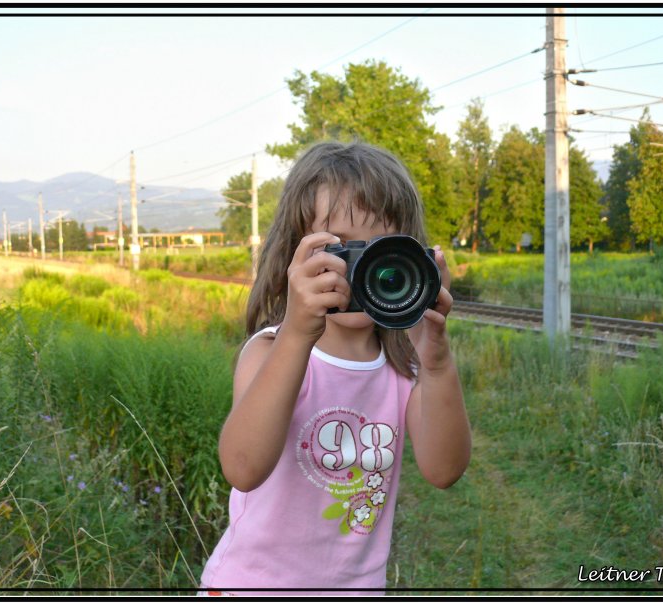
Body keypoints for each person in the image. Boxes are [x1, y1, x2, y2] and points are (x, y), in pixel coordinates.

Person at [199, 141, 471, 596]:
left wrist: (437, 362)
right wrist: (298, 334)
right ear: (294, 258)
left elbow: (444, 471)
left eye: (383, 250)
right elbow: (243, 469)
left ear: (414, 261)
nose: (361, 267)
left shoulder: (404, 370)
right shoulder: (271, 352)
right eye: (340, 248)